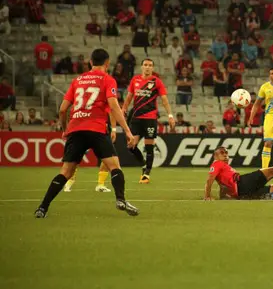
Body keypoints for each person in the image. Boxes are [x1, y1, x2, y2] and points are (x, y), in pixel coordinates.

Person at [34, 49, 138, 219]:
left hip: (76, 128)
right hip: (96, 128)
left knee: (66, 172)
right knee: (114, 167)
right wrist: (127, 130)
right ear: (107, 63)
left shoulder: (77, 80)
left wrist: (65, 129)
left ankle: (42, 208)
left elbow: (62, 109)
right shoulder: (107, 79)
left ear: (90, 62)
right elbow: (113, 106)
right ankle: (120, 199)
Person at [121, 58, 176, 183]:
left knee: (149, 146)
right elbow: (129, 97)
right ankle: (144, 163)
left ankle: (146, 174)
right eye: (145, 65)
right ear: (141, 67)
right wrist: (124, 108)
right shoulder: (135, 80)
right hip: (136, 117)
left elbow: (164, 100)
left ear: (153, 68)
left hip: (150, 119)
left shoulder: (156, 82)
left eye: (150, 65)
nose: (147, 67)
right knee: (130, 145)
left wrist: (170, 115)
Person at [63, 113, 120, 193]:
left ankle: (100, 184)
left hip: (96, 128)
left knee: (108, 157)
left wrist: (113, 129)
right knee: (75, 158)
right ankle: (69, 182)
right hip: (90, 130)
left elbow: (112, 112)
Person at [247, 68, 273, 168]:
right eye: (272, 73)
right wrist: (251, 117)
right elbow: (257, 104)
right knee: (268, 143)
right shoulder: (265, 87)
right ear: (269, 75)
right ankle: (264, 170)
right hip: (270, 116)